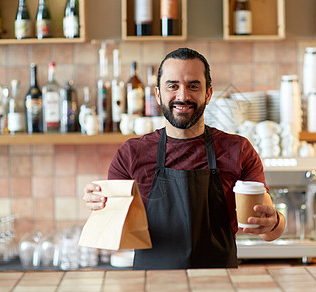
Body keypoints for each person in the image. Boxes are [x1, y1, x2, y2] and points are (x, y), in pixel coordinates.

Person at [83, 47, 285, 270]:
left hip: (218, 285)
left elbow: (269, 231)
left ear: (208, 94)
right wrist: (99, 204)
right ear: (158, 94)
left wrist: (274, 221)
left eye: (193, 86)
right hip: (152, 284)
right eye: (172, 86)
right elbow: (113, 230)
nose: (183, 96)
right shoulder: (131, 154)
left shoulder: (238, 150)